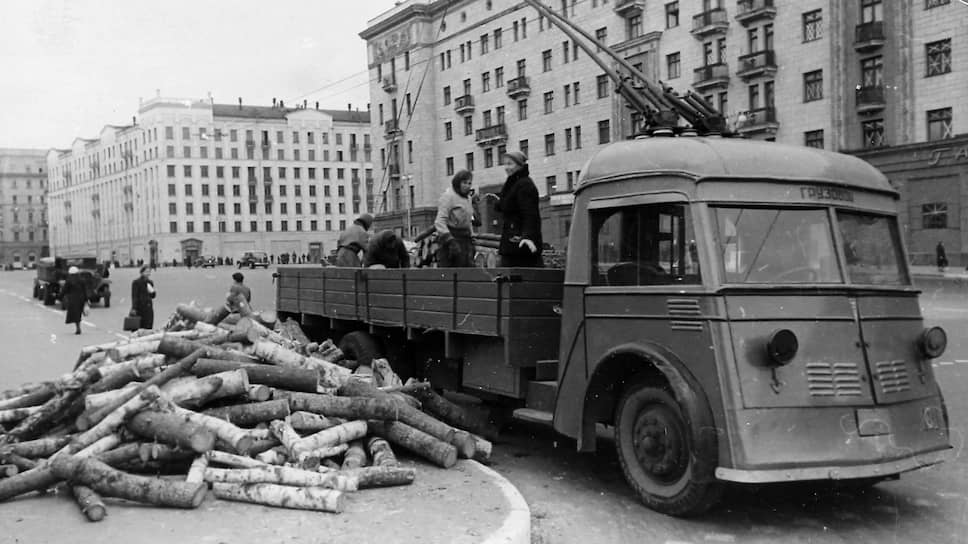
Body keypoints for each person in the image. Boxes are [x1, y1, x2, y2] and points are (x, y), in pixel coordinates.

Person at [488, 151, 543, 267]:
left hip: (520, 244)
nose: (506, 168)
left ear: (519, 165)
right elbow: (507, 204)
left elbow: (530, 214)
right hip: (513, 241)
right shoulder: (513, 183)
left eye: (510, 164)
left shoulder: (524, 185)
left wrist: (528, 237)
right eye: (505, 164)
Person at [434, 169, 476, 267]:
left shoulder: (468, 198)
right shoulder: (448, 196)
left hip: (465, 239)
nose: (467, 186)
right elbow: (440, 221)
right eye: (464, 183)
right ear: (458, 183)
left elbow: (468, 219)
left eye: (469, 183)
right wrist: (450, 240)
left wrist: (472, 234)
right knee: (451, 274)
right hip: (451, 240)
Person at [61, 266, 88, 335]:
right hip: (81, 299)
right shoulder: (82, 280)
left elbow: (64, 290)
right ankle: (78, 327)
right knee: (78, 313)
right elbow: (85, 291)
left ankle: (78, 328)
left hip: (73, 299)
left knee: (75, 314)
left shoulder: (69, 281)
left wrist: (59, 296)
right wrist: (86, 300)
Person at [131, 265, 157, 330]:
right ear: (142, 272)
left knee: (148, 326)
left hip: (148, 307)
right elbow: (134, 296)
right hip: (139, 307)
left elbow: (153, 296)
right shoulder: (136, 282)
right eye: (146, 272)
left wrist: (153, 292)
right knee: (138, 326)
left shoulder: (150, 282)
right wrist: (134, 308)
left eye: (149, 272)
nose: (148, 273)